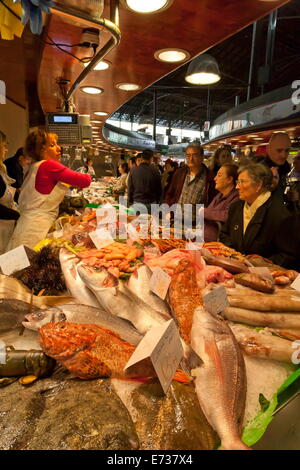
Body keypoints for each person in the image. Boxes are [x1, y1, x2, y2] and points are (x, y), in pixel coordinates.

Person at [8, 129, 91, 250]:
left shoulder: (32, 168)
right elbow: (85, 180)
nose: (59, 148)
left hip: (23, 228)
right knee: (27, 266)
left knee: (14, 266)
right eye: (52, 145)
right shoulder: (49, 165)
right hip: (35, 232)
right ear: (40, 150)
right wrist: (85, 170)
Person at [219, 163, 297, 268]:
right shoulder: (235, 207)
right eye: (238, 182)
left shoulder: (281, 215)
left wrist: (260, 265)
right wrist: (234, 256)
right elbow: (224, 234)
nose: (237, 186)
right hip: (234, 268)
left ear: (259, 185)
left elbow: (288, 255)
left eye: (242, 182)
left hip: (266, 277)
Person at [164, 144, 216, 221]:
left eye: (194, 155)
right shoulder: (179, 173)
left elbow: (212, 202)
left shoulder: (209, 177)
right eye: (188, 156)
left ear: (202, 157)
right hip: (176, 219)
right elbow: (170, 193)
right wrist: (168, 210)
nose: (191, 159)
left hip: (196, 223)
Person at [203, 163, 239, 242]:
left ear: (229, 179)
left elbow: (227, 215)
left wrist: (204, 212)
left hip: (218, 245)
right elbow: (208, 213)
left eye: (219, 175)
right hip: (203, 240)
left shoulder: (237, 197)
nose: (215, 178)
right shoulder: (219, 195)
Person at [0, 131, 20, 254]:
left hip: (6, 229)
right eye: (4, 146)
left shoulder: (2, 168)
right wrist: (18, 215)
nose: (6, 150)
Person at [261, 131, 291, 199]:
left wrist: (288, 197)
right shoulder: (259, 172)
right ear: (268, 149)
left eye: (287, 150)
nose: (283, 155)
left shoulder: (286, 169)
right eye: (279, 150)